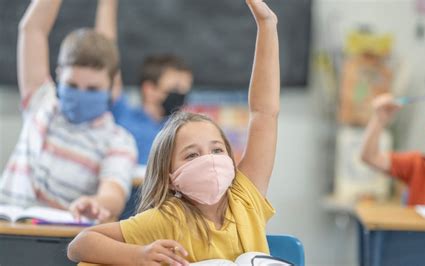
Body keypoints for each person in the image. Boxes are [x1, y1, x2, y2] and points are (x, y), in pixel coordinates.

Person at [67, 0, 279, 264]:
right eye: (192, 156)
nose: (209, 161)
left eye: (217, 149)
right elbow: (79, 244)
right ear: (170, 176)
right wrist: (139, 255)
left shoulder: (246, 198)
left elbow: (264, 113)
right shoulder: (169, 218)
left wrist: (267, 25)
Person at [0, 0, 137, 222]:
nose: (81, 94)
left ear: (113, 86)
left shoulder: (118, 141)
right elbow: (32, 29)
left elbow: (114, 191)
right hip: (5, 227)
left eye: (93, 89)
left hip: (54, 239)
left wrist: (98, 203)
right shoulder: (42, 103)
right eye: (72, 86)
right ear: (59, 74)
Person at [112, 55, 193, 165]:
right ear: (149, 89)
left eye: (185, 90)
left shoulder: (181, 131)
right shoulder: (121, 115)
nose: (181, 95)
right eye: (175, 88)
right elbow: (109, 66)